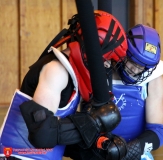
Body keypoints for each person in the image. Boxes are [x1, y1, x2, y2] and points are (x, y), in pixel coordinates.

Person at [0, 10, 128, 160]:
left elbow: (58, 136)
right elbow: (42, 134)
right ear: (91, 52)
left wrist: (96, 147)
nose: (106, 65)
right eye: (106, 59)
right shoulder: (56, 71)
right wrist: (95, 121)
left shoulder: (71, 73)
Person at [110, 24, 163, 160]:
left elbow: (157, 131)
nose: (135, 71)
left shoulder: (153, 80)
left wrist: (130, 151)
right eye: (133, 62)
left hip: (136, 154)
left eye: (142, 67)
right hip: (98, 151)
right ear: (124, 52)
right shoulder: (99, 73)